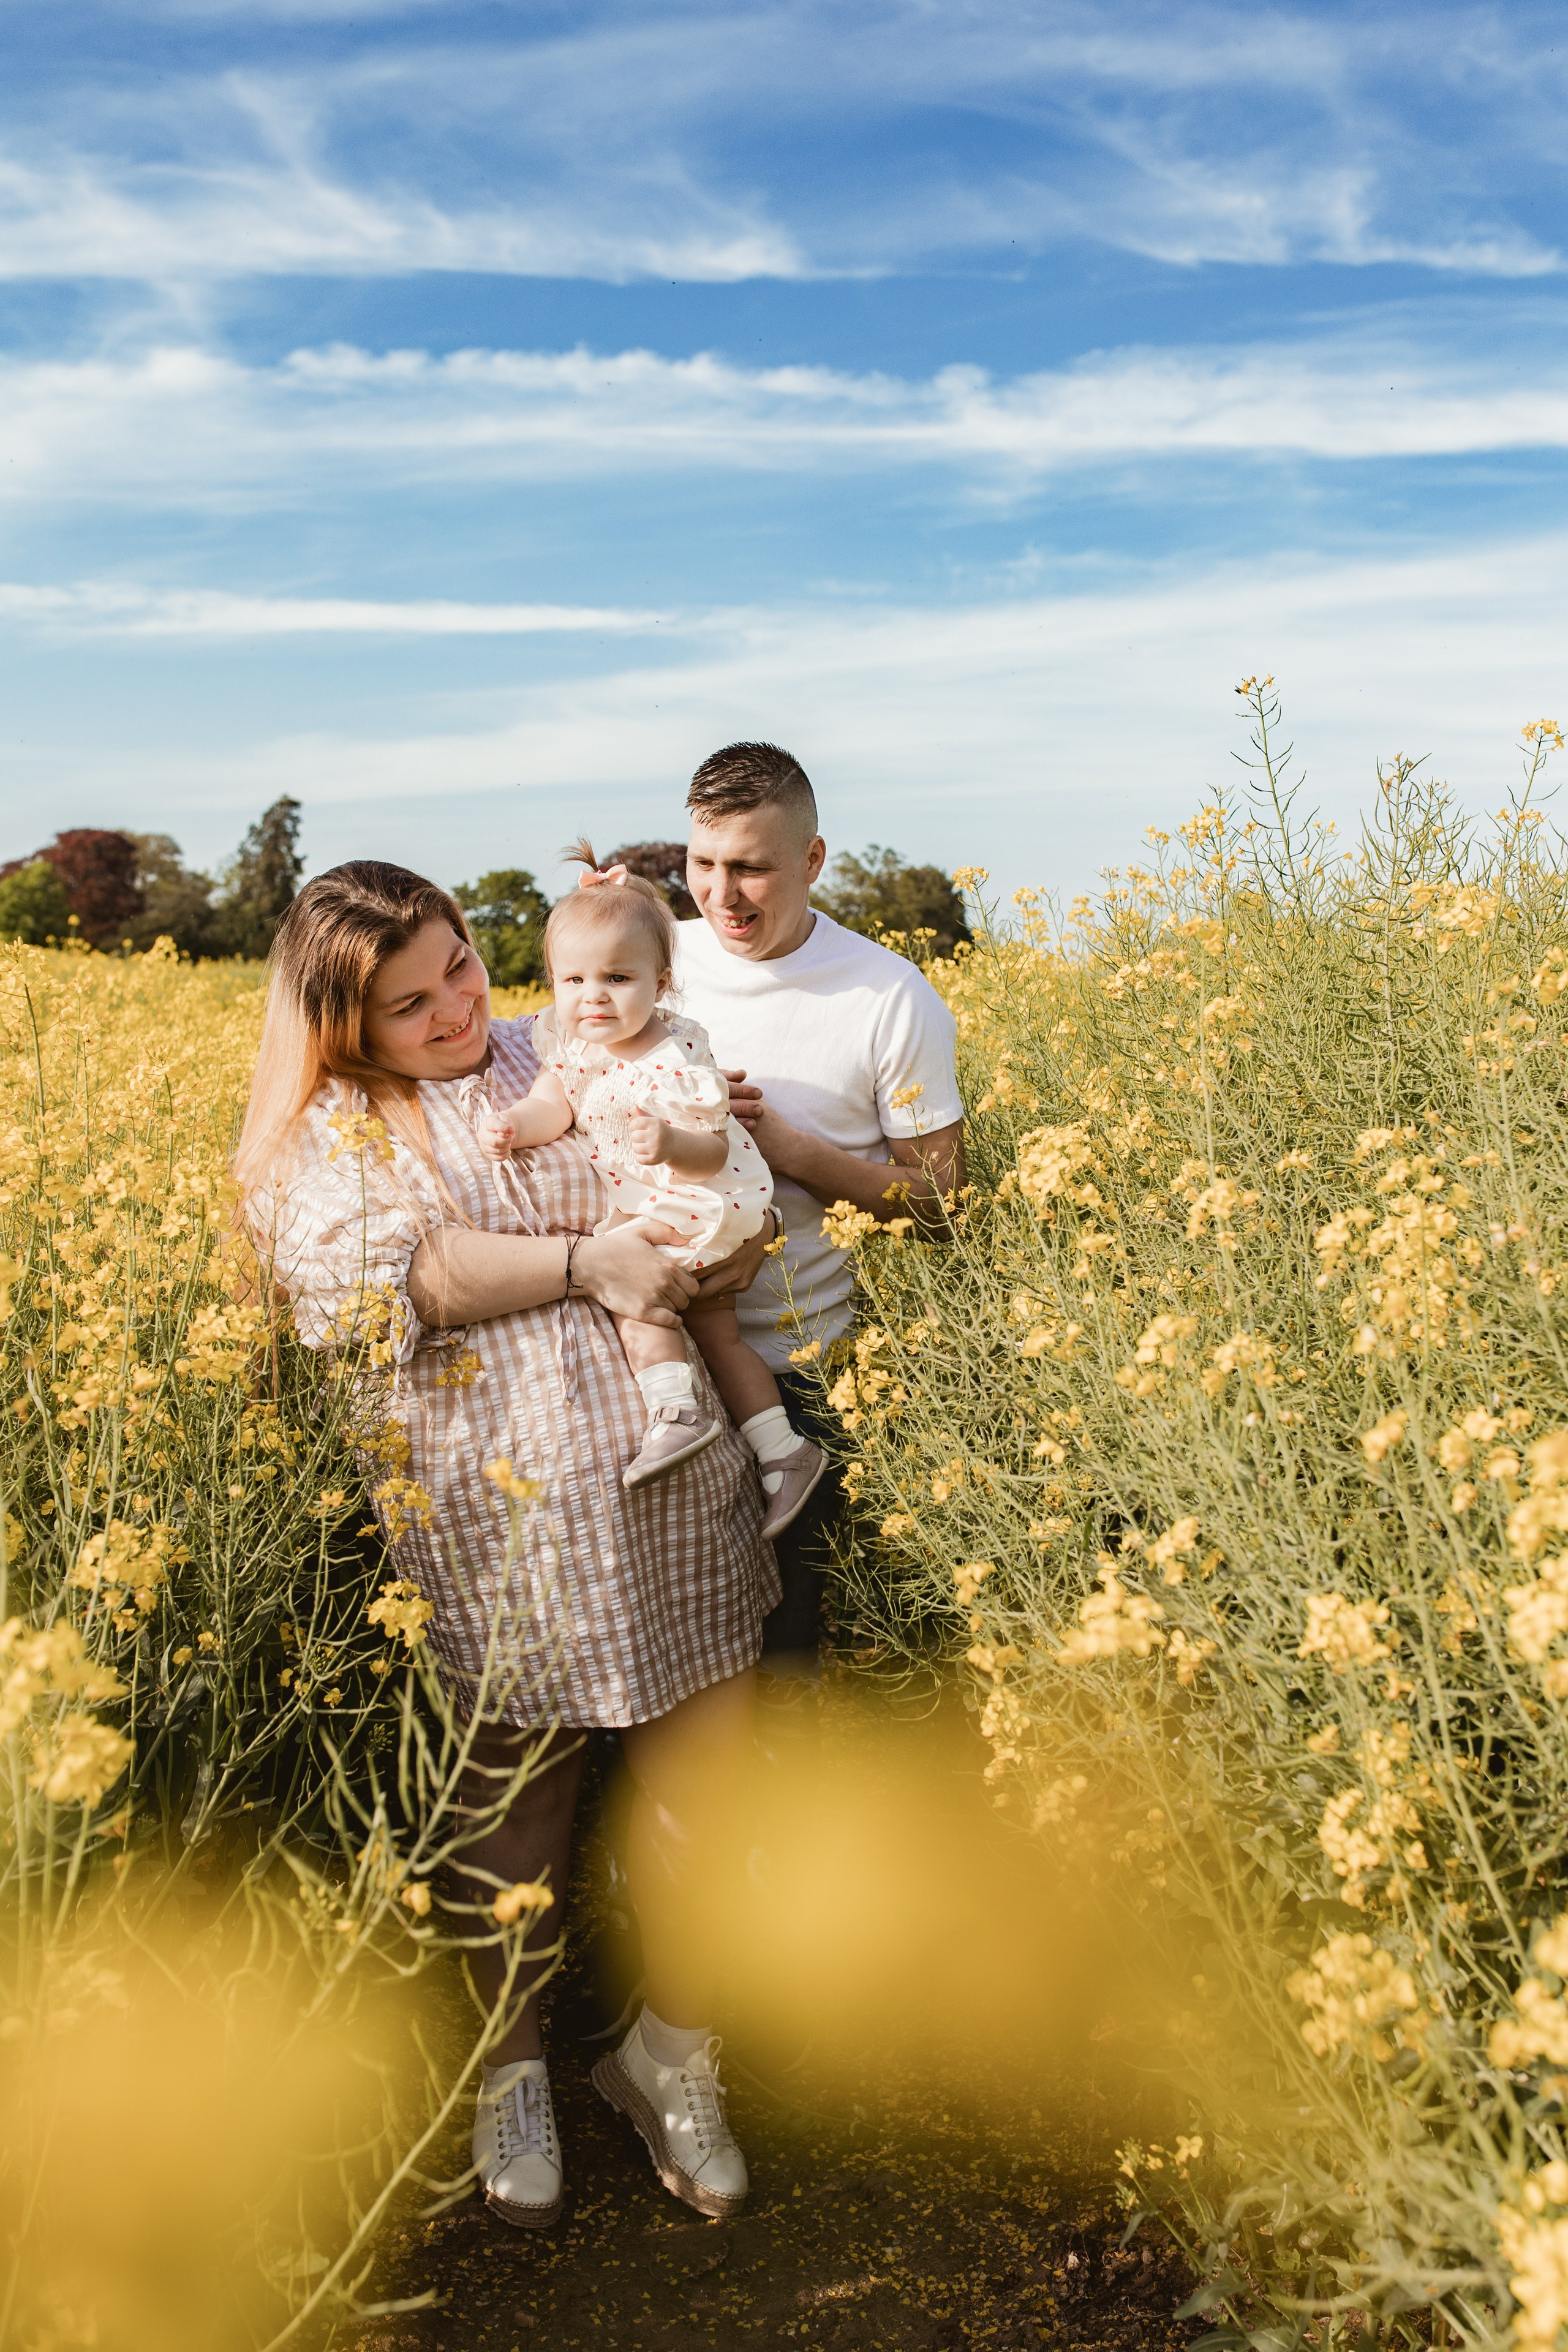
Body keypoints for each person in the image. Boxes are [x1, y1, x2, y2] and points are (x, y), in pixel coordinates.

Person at [235, 861, 779, 2233]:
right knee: (513, 1805)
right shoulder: (336, 1128)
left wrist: (722, 1211)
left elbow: (712, 1172)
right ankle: (514, 2065)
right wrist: (590, 1261)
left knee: (701, 1793)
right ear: (343, 1025)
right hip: (493, 1519)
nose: (453, 1010)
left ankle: (668, 2055)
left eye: (461, 966)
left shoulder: (565, 1038)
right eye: (407, 1003)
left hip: (672, 1482)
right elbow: (396, 1280)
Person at [673, 742, 966, 1684]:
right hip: (646, 1366)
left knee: (777, 1654)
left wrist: (800, 1156)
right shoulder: (652, 956)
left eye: (753, 866)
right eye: (704, 865)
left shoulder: (890, 997)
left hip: (799, 1383)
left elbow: (944, 1207)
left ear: (812, 860)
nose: (725, 895)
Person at [475, 840, 826, 1537]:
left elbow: (713, 1150)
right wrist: (512, 1125)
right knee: (718, 1337)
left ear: (660, 983)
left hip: (697, 1201)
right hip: (658, 1206)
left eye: (616, 978)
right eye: (572, 981)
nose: (592, 998)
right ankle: (784, 1453)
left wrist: (670, 1145)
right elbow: (553, 1107)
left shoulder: (678, 1056)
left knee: (632, 1294)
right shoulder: (575, 1049)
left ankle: (677, 1414)